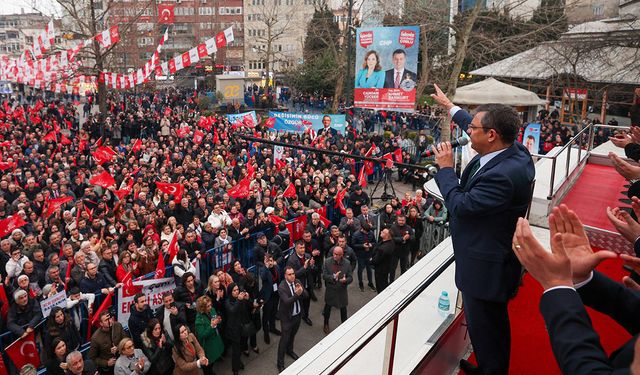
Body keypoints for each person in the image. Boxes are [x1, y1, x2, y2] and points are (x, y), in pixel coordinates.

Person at [430, 83, 535, 375]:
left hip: (486, 268)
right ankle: (489, 366)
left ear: (491, 135)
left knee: (487, 327)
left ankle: (492, 370)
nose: (467, 132)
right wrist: (450, 107)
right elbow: (473, 123)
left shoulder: (503, 175)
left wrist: (446, 170)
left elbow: (462, 205)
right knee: (490, 327)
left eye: (473, 128)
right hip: (491, 259)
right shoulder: (512, 151)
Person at [276, 266, 308, 372]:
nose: (292, 276)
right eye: (289, 274)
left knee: (293, 335)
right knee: (284, 340)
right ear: (285, 276)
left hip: (297, 315)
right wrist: (296, 294)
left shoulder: (297, 281)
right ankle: (280, 363)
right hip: (286, 318)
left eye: (293, 273)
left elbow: (306, 295)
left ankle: (290, 351)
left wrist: (301, 291)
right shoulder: (282, 287)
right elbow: (287, 301)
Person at [322, 246, 353, 334]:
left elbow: (350, 278)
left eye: (337, 254)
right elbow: (324, 276)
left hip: (341, 290)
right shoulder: (327, 262)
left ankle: (344, 325)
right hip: (330, 290)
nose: (335, 256)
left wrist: (345, 280)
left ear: (341, 255)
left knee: (343, 309)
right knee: (327, 308)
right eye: (334, 254)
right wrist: (333, 277)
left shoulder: (347, 263)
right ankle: (326, 324)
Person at [89, 310, 129, 375]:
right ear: (101, 323)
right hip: (108, 369)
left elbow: (126, 340)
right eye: (106, 320)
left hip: (122, 359)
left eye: (110, 318)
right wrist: (106, 363)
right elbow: (92, 358)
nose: (109, 321)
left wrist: (118, 347)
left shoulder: (118, 325)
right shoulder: (95, 338)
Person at [224, 283, 252, 375]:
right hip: (233, 330)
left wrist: (247, 299)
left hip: (242, 327)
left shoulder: (240, 299)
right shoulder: (227, 302)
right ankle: (235, 369)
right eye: (234, 290)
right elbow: (232, 311)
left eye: (237, 290)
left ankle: (239, 362)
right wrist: (239, 301)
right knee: (235, 351)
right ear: (230, 292)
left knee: (240, 348)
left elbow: (249, 307)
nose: (237, 292)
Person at [286, 240, 314, 326]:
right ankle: (296, 317)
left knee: (307, 302)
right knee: (298, 302)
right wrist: (305, 267)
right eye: (300, 248)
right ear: (296, 248)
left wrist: (312, 266)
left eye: (303, 247)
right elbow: (293, 276)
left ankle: (305, 316)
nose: (302, 250)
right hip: (298, 286)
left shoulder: (308, 256)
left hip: (308, 284)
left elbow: (312, 271)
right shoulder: (291, 260)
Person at [194, 296, 224, 374]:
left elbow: (215, 318)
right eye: (207, 306)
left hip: (215, 340)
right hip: (208, 346)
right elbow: (202, 335)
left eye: (210, 305)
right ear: (202, 308)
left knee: (213, 361)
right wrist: (211, 326)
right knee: (208, 365)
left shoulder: (212, 310)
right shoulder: (199, 320)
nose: (210, 307)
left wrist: (218, 320)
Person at [259, 254, 281, 344]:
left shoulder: (277, 267)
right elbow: (263, 277)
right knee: (266, 315)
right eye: (268, 261)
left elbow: (280, 278)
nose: (270, 263)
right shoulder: (263, 269)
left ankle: (272, 328)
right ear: (265, 262)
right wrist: (266, 266)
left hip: (276, 295)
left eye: (271, 261)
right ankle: (266, 332)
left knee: (274, 312)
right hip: (267, 296)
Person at [351, 222, 376, 292]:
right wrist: (362, 246)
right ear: (362, 229)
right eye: (366, 232)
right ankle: (360, 283)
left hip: (369, 255)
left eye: (368, 232)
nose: (367, 233)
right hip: (360, 256)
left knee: (369, 270)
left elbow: (375, 242)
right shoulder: (356, 234)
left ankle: (370, 283)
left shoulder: (370, 232)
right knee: (360, 270)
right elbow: (353, 245)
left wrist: (371, 244)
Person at [389, 214, 415, 281]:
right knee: (392, 269)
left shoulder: (408, 228)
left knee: (404, 269)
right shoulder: (393, 227)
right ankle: (391, 282)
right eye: (400, 220)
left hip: (405, 251)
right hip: (395, 251)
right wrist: (402, 239)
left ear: (405, 220)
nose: (401, 222)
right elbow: (392, 238)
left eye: (403, 220)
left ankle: (402, 282)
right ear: (397, 220)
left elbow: (413, 237)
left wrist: (409, 237)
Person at [371, 228, 395, 293]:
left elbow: (375, 260)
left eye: (383, 232)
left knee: (381, 287)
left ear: (387, 236)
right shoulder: (390, 242)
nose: (381, 232)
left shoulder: (383, 249)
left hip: (380, 270)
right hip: (386, 269)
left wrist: (371, 260)